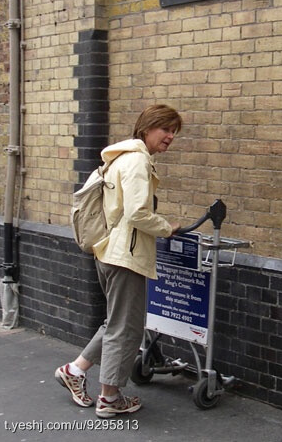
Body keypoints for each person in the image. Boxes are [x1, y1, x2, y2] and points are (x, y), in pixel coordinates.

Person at [55, 104, 182, 418]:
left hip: (108, 251)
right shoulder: (137, 160)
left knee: (115, 322)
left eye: (174, 132)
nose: (170, 137)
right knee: (125, 328)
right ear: (148, 127)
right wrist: (166, 227)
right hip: (126, 255)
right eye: (165, 129)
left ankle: (74, 369)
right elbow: (137, 213)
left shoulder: (119, 158)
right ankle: (109, 398)